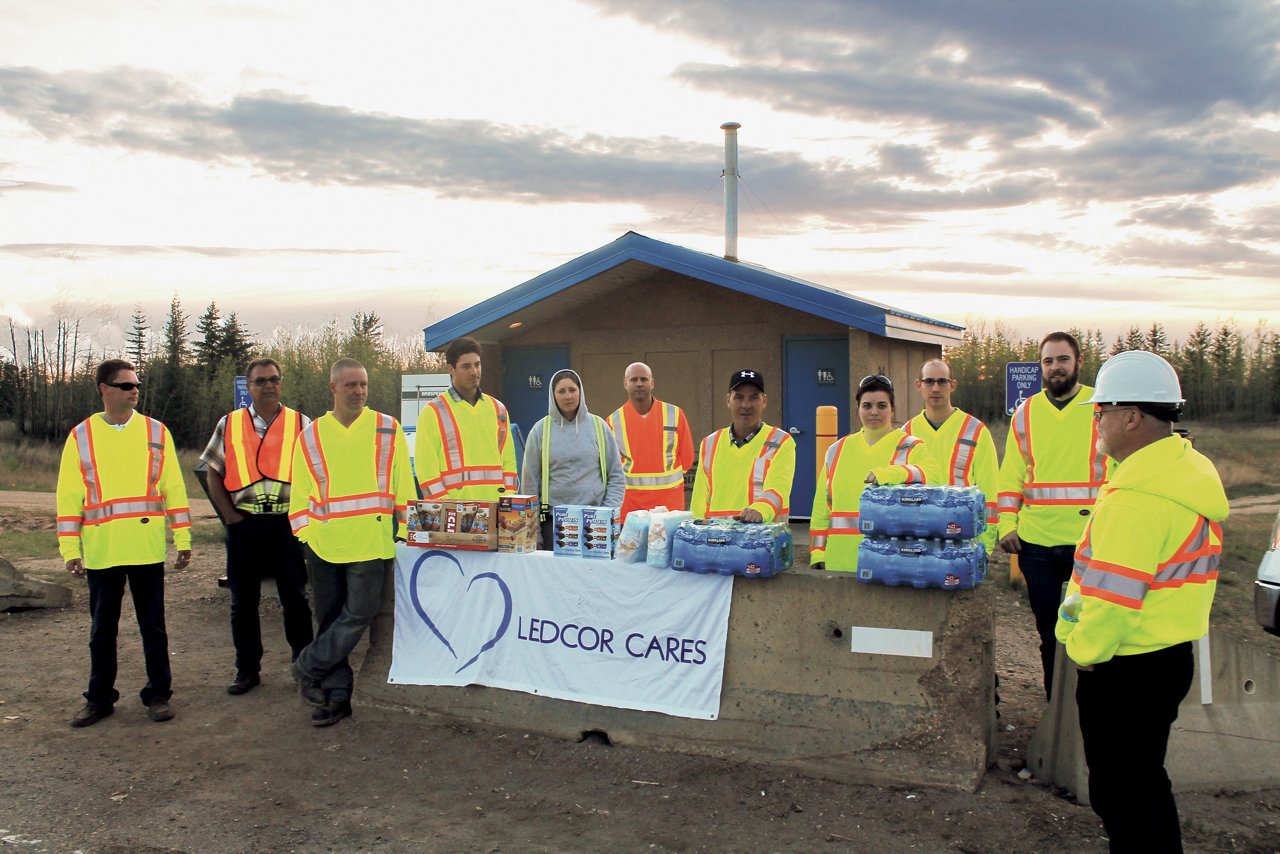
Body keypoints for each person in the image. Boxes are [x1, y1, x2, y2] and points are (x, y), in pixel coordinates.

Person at [1055, 351, 1225, 852]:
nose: (1096, 420)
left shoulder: (1137, 499)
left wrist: (1084, 653)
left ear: (1131, 417)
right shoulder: (1182, 473)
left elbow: (1111, 598)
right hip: (1168, 655)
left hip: (1125, 668)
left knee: (1121, 795)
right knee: (1147, 783)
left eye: (1100, 410)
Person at [56, 359, 192, 727]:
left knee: (154, 627)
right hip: (102, 552)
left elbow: (173, 489)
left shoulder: (155, 432)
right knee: (102, 630)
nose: (134, 391)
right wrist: (71, 549)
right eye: (126, 385)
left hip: (145, 548)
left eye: (136, 385)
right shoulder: (81, 436)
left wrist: (183, 538)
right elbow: (69, 497)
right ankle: (99, 699)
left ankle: (158, 695)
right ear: (104, 389)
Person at [288, 358, 415, 726]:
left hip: (372, 543)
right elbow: (300, 494)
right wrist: (306, 536)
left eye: (363, 385)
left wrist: (404, 533)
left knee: (360, 613)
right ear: (333, 388)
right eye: (350, 385)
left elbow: (403, 486)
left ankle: (306, 666)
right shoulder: (310, 435)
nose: (358, 392)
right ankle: (337, 696)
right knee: (328, 620)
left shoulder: (387, 428)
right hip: (325, 544)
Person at [998, 331, 1109, 699]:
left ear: (1078, 362)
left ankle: (1090, 711)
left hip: (1090, 544)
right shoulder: (1026, 413)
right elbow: (1012, 474)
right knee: (1049, 633)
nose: (1055, 367)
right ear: (1040, 367)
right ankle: (1056, 709)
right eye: (1048, 361)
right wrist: (1006, 525)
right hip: (1037, 545)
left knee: (1093, 632)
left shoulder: (1101, 406)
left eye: (1062, 359)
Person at [199, 357, 314, 696]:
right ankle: (247, 670)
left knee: (295, 598)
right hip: (244, 523)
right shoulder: (229, 424)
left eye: (274, 379)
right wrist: (230, 518)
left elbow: (316, 473)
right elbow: (213, 473)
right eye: (261, 380)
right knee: (243, 601)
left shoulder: (300, 423)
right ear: (248, 387)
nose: (268, 385)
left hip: (286, 524)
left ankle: (303, 666)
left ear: (281, 383)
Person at [809, 375, 941, 572]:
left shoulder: (910, 446)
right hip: (840, 562)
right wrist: (818, 552)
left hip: (891, 563)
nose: (874, 412)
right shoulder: (837, 450)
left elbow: (935, 477)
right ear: (858, 410)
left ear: (892, 409)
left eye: (881, 405)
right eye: (867, 406)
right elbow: (822, 507)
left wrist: (891, 474)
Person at [520, 369, 626, 547]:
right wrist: (534, 531)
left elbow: (616, 476)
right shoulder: (540, 430)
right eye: (561, 391)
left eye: (572, 390)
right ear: (553, 395)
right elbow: (529, 485)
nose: (568, 396)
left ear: (580, 392)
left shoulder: (599, 426)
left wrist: (607, 514)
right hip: (552, 522)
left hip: (595, 521)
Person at [904, 359, 1000, 554]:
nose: (936, 388)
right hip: (917, 539)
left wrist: (985, 549)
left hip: (962, 538)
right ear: (918, 385)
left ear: (953, 385)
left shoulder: (975, 431)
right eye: (929, 382)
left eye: (942, 382)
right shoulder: (906, 433)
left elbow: (989, 493)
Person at [416, 337, 518, 500]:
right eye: (466, 366)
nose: (474, 372)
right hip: (455, 514)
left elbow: (509, 462)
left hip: (496, 511)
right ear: (451, 369)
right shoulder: (433, 413)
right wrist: (446, 508)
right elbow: (426, 470)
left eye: (477, 364)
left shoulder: (498, 409)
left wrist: (507, 500)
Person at [689, 370, 795, 524]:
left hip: (763, 539)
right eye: (738, 397)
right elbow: (699, 499)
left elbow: (779, 487)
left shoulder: (781, 441)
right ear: (728, 400)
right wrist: (695, 528)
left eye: (754, 397)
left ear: (764, 400)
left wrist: (761, 509)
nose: (746, 405)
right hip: (716, 541)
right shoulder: (710, 443)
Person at [606, 362, 694, 522]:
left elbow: (687, 459)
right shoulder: (613, 421)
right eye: (633, 380)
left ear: (652, 383)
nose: (639, 383)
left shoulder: (675, 414)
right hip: (630, 510)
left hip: (670, 510)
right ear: (625, 384)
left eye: (643, 379)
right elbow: (610, 469)